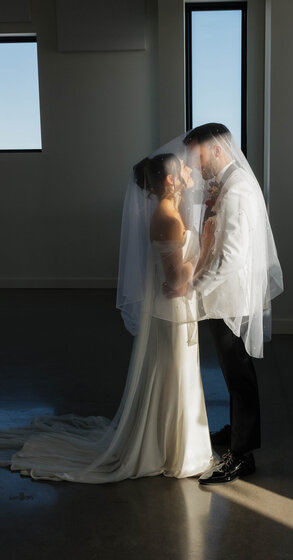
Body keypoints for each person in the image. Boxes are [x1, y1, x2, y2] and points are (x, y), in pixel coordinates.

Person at [0, 145, 216, 482]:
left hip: (175, 309)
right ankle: (168, 451)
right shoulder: (167, 218)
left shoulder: (173, 212)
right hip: (170, 315)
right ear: (172, 180)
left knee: (177, 377)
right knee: (174, 377)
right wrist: (206, 248)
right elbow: (176, 280)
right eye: (185, 171)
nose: (192, 173)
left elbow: (178, 280)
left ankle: (175, 447)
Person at [165, 123, 284, 485]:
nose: (198, 167)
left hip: (230, 297)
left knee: (238, 374)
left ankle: (241, 455)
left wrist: (193, 287)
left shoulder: (237, 190)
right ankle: (236, 432)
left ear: (217, 150)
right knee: (235, 372)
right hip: (226, 295)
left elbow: (231, 255)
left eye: (199, 157)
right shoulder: (229, 185)